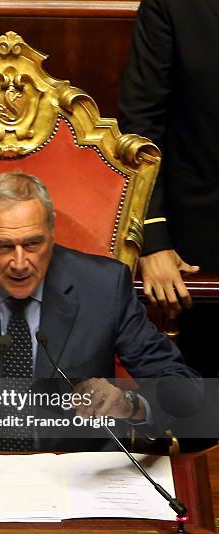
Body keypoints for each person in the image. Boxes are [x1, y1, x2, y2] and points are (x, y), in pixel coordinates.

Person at [0, 171, 201, 451]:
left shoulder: (103, 286)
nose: (19, 263)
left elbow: (186, 391)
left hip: (76, 472)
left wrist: (128, 405)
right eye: (2, 246)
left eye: (32, 244)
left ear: (52, 237)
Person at [119, 0, 219, 377]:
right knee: (204, 411)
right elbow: (141, 126)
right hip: (202, 241)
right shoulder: (172, 6)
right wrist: (153, 238)